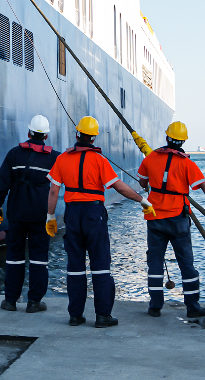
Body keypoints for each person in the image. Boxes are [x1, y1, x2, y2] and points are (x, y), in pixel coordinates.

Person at [46, 116, 155, 328]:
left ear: (77, 134)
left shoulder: (62, 159)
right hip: (94, 213)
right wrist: (143, 200)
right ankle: (103, 316)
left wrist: (50, 217)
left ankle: (75, 315)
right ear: (94, 138)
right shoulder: (100, 161)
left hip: (72, 214)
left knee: (75, 267)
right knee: (101, 266)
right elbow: (119, 187)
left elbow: (53, 190)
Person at [136, 121, 205, 318]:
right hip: (178, 219)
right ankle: (193, 307)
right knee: (186, 263)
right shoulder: (187, 163)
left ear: (167, 136)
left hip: (155, 219)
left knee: (154, 263)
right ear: (183, 140)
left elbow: (143, 182)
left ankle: (155, 306)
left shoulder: (150, 158)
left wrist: (150, 186)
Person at [0, 114, 60, 313]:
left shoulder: (14, 154)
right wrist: (51, 216)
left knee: (14, 257)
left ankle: (10, 301)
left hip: (17, 213)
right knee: (39, 258)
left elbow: (2, 181)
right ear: (46, 136)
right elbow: (58, 186)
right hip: (41, 215)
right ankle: (34, 302)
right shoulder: (55, 158)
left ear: (29, 132)